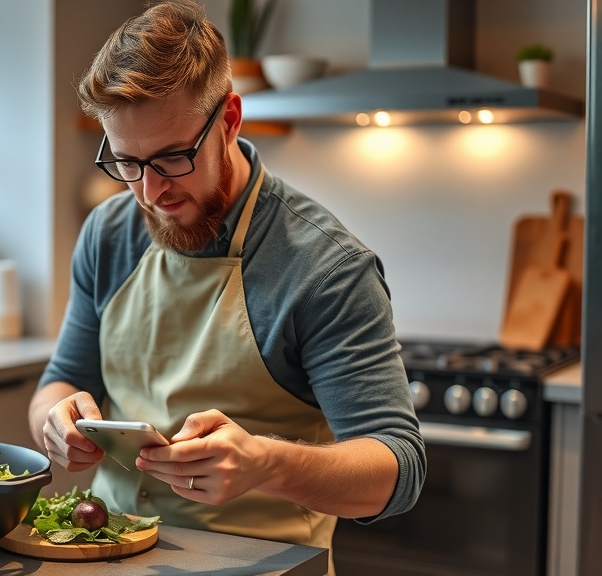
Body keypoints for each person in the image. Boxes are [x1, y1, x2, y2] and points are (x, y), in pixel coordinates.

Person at [28, 0, 425, 558]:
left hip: (262, 563)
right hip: (109, 553)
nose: (150, 192)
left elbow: (397, 470)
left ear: (230, 120)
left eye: (171, 158)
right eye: (126, 163)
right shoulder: (109, 233)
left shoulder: (325, 268)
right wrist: (55, 419)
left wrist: (268, 464)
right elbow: (62, 379)